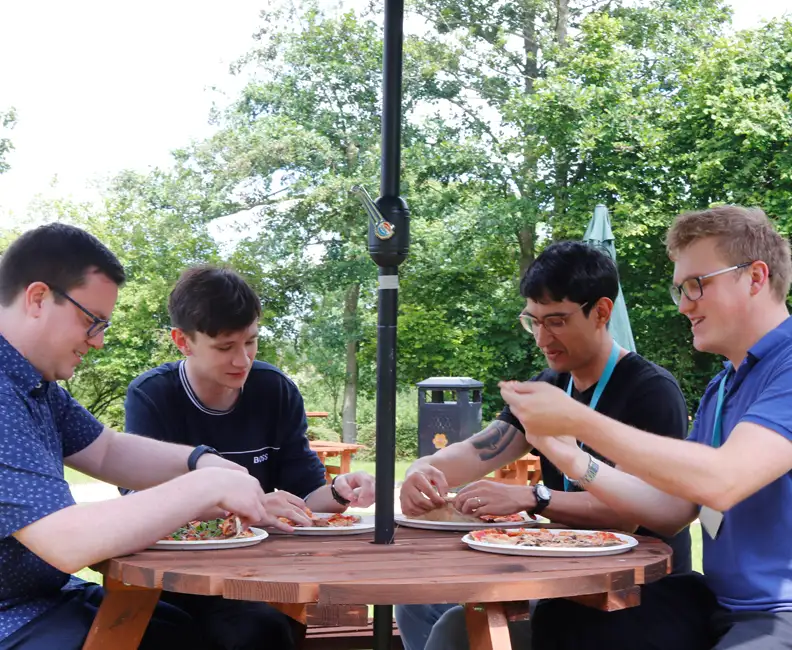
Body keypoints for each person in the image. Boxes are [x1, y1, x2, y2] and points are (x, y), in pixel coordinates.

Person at [0, 223, 305, 650]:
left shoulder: (35, 386)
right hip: (12, 619)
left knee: (219, 633)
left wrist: (203, 461)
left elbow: (107, 451)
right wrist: (206, 486)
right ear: (37, 299)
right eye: (92, 322)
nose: (100, 341)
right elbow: (66, 542)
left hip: (47, 599)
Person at [501, 205, 792, 649]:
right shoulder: (723, 386)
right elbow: (673, 511)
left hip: (777, 614)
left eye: (696, 285)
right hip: (716, 602)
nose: (684, 306)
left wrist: (580, 421)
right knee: (558, 621)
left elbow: (724, 480)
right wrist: (566, 453)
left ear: (755, 277)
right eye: (680, 290)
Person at [395, 241, 691, 650]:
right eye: (532, 321)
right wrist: (423, 470)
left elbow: (626, 516)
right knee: (414, 605)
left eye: (555, 321)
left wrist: (533, 497)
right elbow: (478, 450)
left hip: (633, 594)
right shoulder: (549, 386)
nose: (541, 338)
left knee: (453, 630)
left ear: (601, 312)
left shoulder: (650, 391)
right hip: (558, 573)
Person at [123, 264, 376, 650]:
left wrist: (340, 492)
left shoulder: (274, 390)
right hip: (169, 579)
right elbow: (138, 504)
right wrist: (249, 506)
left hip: (254, 578)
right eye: (225, 347)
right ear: (183, 341)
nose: (242, 360)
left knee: (262, 631)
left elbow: (306, 499)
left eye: (251, 342)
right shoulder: (153, 395)